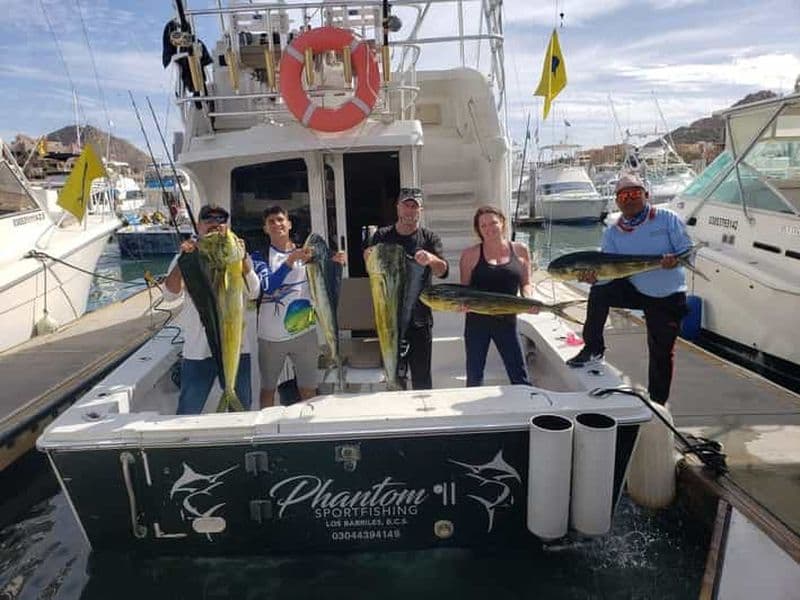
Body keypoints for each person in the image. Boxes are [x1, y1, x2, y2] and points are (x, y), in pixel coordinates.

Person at [566, 172, 691, 405]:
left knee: (661, 352)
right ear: (616, 201)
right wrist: (593, 278)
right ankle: (593, 348)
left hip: (667, 295)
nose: (629, 198)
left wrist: (675, 259)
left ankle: (657, 404)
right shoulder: (613, 232)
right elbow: (607, 274)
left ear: (646, 195)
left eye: (634, 193)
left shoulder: (667, 218)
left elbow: (687, 251)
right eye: (623, 195)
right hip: (635, 288)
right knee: (599, 292)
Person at [164, 204, 260, 414]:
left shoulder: (236, 251)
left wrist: (243, 259)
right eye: (209, 220)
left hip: (236, 348)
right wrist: (184, 259)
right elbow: (170, 294)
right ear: (198, 226)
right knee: (189, 410)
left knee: (242, 410)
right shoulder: (188, 254)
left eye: (221, 220)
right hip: (199, 351)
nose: (215, 224)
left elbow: (254, 291)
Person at [252, 206, 346, 407]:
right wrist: (289, 262)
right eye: (271, 221)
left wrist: (335, 263)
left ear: (289, 224)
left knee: (308, 390)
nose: (277, 224)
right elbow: (267, 287)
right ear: (265, 228)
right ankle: (267, 435)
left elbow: (326, 287)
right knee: (268, 390)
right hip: (271, 337)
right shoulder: (259, 256)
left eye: (280, 219)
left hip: (305, 333)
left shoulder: (307, 254)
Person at [363, 187, 449, 390]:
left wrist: (432, 259)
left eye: (414, 206)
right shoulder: (382, 235)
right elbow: (372, 272)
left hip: (419, 320)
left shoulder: (429, 238)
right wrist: (368, 258)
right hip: (390, 320)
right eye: (406, 205)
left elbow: (442, 271)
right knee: (393, 375)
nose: (410, 210)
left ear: (420, 210)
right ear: (398, 208)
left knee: (422, 378)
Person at [459, 206, 537, 387]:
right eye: (483, 225)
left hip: (508, 322)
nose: (489, 228)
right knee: (474, 375)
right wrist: (462, 304)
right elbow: (464, 291)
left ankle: (526, 409)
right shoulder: (469, 255)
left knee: (519, 374)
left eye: (493, 222)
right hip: (477, 323)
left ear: (502, 222)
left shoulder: (521, 250)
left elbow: (526, 282)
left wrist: (528, 299)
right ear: (478, 229)